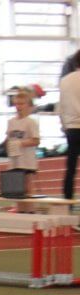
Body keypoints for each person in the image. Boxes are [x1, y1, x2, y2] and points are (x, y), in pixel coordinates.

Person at [5, 89, 41, 201]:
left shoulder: (31, 122)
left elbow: (36, 140)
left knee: (28, 185)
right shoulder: (11, 122)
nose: (19, 107)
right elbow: (8, 139)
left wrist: (21, 143)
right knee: (16, 188)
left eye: (21, 104)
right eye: (17, 104)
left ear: (28, 106)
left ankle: (29, 210)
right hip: (14, 160)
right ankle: (20, 210)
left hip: (27, 161)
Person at [61, 59, 80, 199]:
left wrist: (64, 125)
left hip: (71, 127)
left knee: (71, 166)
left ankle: (67, 198)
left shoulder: (65, 80)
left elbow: (61, 106)